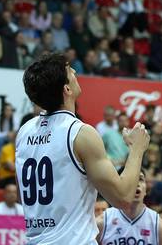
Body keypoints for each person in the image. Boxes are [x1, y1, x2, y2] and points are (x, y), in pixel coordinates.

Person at [16, 53, 150, 243]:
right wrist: (137, 149)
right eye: (70, 70)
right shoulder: (80, 132)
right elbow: (123, 198)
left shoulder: (24, 132)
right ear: (67, 89)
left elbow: (23, 196)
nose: (75, 71)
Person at [96, 170, 162, 245]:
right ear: (118, 187)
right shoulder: (101, 223)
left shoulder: (160, 226)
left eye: (141, 179)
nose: (137, 183)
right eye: (131, 179)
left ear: (145, 190)